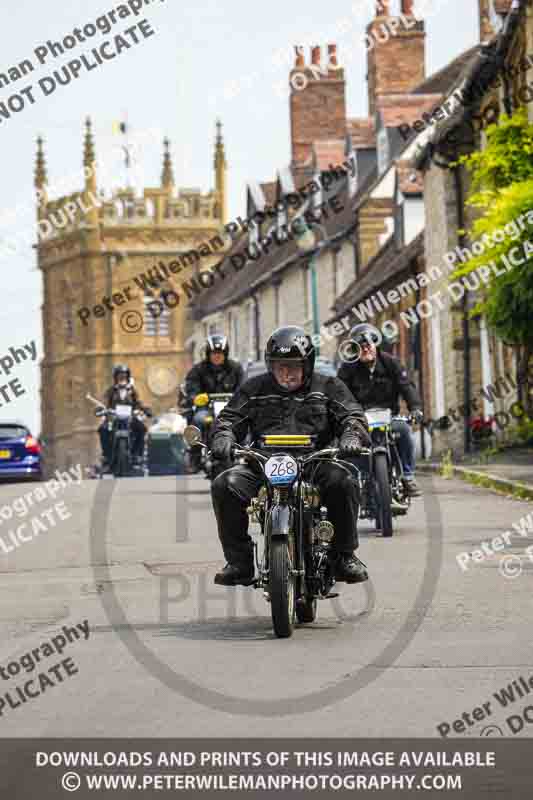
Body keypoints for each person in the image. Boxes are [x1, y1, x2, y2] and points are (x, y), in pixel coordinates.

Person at [210, 325, 370, 587]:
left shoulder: (328, 386)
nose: (286, 372)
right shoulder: (254, 388)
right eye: (279, 365)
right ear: (270, 365)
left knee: (345, 480)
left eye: (293, 365)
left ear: (307, 364)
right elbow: (228, 418)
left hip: (315, 462)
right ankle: (239, 562)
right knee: (224, 484)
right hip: (263, 463)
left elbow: (353, 415)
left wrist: (352, 436)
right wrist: (222, 437)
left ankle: (344, 555)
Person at [337, 323, 424, 497]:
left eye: (368, 345)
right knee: (348, 444)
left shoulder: (391, 363)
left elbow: (406, 387)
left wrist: (415, 408)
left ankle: (407, 476)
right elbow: (339, 394)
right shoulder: (348, 369)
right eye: (360, 347)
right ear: (355, 350)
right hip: (359, 420)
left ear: (375, 345)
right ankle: (355, 482)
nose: (366, 349)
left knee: (404, 431)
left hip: (389, 417)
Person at [98, 364, 150, 468]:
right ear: (115, 377)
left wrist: (144, 410)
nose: (122, 377)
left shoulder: (132, 391)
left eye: (124, 375)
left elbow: (138, 403)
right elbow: (105, 402)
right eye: (119, 375)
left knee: (142, 428)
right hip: (114, 417)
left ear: (127, 377)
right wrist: (103, 410)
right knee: (102, 429)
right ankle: (106, 455)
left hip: (129, 417)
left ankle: (138, 455)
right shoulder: (111, 391)